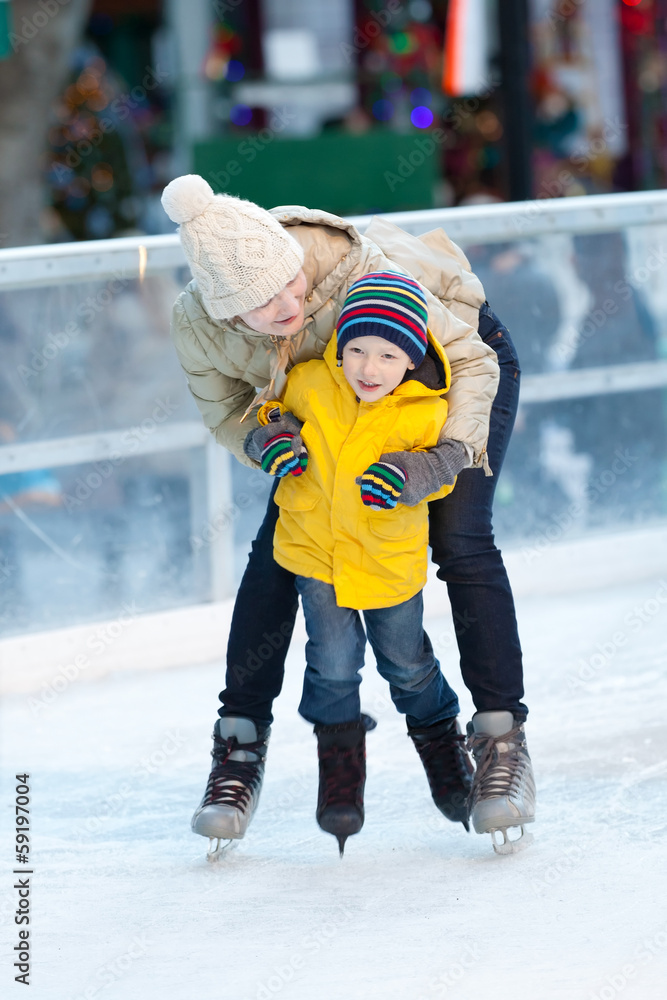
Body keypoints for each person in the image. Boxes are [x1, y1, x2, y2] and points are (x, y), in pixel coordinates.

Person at [161, 175, 536, 857]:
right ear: (225, 312)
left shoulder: (349, 270)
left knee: (459, 536)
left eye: (291, 288)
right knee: (284, 548)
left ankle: (500, 740)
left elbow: (470, 361)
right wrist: (262, 438)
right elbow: (225, 412)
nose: (290, 306)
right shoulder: (197, 326)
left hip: (447, 365)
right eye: (264, 305)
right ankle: (238, 749)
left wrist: (442, 459)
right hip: (333, 406)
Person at [253, 272, 475, 855]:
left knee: (406, 664)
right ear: (339, 347)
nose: (368, 368)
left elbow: (448, 462)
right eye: (355, 350)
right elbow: (267, 422)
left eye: (386, 354)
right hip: (317, 556)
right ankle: (340, 776)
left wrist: (407, 475)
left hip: (386, 565)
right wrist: (275, 445)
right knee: (331, 663)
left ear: (411, 357)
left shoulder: (424, 411)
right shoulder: (307, 383)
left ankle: (442, 749)